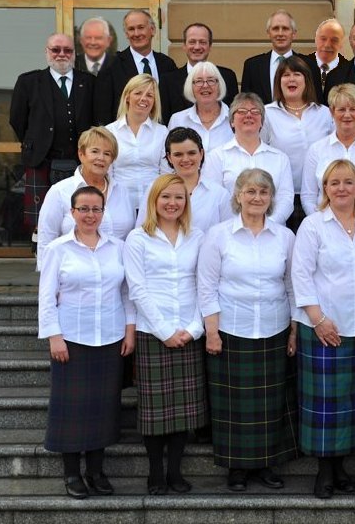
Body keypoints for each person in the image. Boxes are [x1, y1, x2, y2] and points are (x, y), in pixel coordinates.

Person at [197, 168, 299, 493]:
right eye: (250, 191)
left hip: (274, 327)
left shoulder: (285, 236)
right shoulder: (218, 235)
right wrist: (211, 331)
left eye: (263, 192)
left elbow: (292, 286)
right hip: (231, 328)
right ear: (238, 195)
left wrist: (294, 330)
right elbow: (207, 286)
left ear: (271, 199)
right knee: (234, 405)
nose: (257, 198)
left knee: (271, 403)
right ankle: (237, 468)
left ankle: (267, 464)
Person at [38, 185, 136, 499]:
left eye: (96, 209)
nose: (90, 215)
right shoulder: (58, 248)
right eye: (84, 209)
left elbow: (126, 292)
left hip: (110, 337)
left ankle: (96, 471)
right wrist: (54, 336)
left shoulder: (117, 247)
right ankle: (71, 474)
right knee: (72, 408)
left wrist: (130, 331)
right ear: (72, 212)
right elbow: (46, 298)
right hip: (71, 338)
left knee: (104, 407)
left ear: (103, 212)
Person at [292, 159, 355, 499]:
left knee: (352, 402)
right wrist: (318, 319)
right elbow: (300, 274)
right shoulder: (313, 226)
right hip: (324, 325)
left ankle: (341, 466)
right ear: (324, 189)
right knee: (324, 405)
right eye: (333, 183)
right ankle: (324, 471)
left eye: (347, 182)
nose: (341, 188)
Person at [124, 174, 207, 495]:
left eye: (179, 198)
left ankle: (176, 472)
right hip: (153, 333)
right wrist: (164, 331)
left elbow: (205, 284)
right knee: (155, 412)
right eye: (166, 197)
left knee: (183, 411)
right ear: (154, 200)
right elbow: (138, 289)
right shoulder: (137, 239)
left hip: (189, 332)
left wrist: (193, 328)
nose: (172, 203)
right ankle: (155, 473)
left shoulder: (197, 237)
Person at [9, 33, 95, 230]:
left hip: (79, 162)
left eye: (67, 50)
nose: (61, 54)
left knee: (78, 217)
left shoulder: (89, 82)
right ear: (47, 52)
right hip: (42, 161)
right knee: (42, 223)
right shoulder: (29, 82)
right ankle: (42, 258)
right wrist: (36, 142)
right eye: (56, 50)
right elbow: (17, 119)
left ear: (75, 53)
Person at [36, 127, 134, 269]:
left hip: (117, 277)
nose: (101, 158)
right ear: (81, 154)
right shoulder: (59, 191)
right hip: (74, 277)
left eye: (107, 153)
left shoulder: (122, 192)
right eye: (95, 151)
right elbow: (46, 241)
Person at [261, 55, 334, 230]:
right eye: (285, 75)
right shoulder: (267, 113)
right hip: (280, 198)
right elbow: (261, 153)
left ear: (306, 80)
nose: (291, 79)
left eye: (297, 74)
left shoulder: (324, 113)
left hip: (320, 197)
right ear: (278, 82)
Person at [301, 83, 355, 218]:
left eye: (353, 109)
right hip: (324, 230)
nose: (347, 115)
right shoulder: (316, 150)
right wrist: (320, 226)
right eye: (341, 109)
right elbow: (308, 196)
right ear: (332, 112)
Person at [204, 92, 294, 224]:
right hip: (230, 232)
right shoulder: (216, 157)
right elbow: (214, 199)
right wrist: (239, 226)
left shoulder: (280, 158)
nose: (249, 115)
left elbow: (286, 199)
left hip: (273, 232)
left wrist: (267, 225)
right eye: (241, 111)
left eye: (255, 111)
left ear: (262, 122)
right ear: (232, 122)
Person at [137, 127, 233, 232]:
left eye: (191, 153)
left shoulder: (219, 194)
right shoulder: (155, 188)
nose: (186, 159)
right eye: (178, 154)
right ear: (169, 157)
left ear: (201, 153)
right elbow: (142, 229)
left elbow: (227, 237)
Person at [94, 9, 177, 125]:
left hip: (160, 137)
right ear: (126, 34)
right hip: (123, 137)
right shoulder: (110, 65)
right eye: (131, 29)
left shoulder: (167, 64)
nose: (136, 34)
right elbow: (102, 110)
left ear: (152, 30)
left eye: (141, 27)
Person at [105, 74, 169, 214]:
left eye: (149, 95)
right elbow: (107, 174)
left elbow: (166, 174)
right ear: (127, 97)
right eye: (138, 93)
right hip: (118, 205)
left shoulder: (162, 132)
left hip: (153, 206)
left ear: (154, 101)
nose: (143, 99)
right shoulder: (110, 132)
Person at [161, 23, 239, 120]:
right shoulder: (168, 80)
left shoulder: (227, 77)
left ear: (210, 46)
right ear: (184, 46)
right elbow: (165, 118)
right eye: (192, 42)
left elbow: (234, 115)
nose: (197, 47)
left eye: (202, 42)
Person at [166, 61, 234, 154]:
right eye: (199, 81)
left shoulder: (236, 119)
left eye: (211, 80)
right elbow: (169, 160)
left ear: (219, 86)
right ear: (191, 87)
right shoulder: (177, 120)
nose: (205, 86)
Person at [240, 9, 303, 104]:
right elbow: (245, 103)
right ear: (268, 33)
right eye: (275, 29)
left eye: (285, 29)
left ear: (293, 34)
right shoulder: (252, 66)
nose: (280, 34)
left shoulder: (308, 65)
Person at [302, 18, 349, 103]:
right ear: (316, 39)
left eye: (334, 40)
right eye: (323, 39)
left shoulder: (349, 70)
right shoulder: (302, 66)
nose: (327, 45)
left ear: (342, 43)